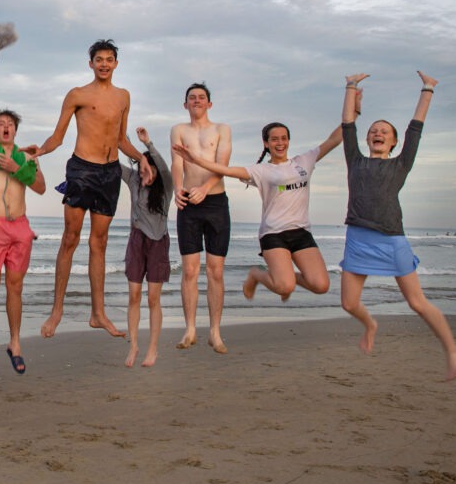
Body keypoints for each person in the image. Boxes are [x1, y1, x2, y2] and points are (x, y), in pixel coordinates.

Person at [339, 72, 456, 381]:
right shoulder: (355, 160)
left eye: (384, 131)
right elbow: (347, 126)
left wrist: (428, 88)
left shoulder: (400, 164)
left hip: (390, 239)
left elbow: (416, 128)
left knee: (417, 302)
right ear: (368, 139)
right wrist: (350, 87)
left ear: (394, 142)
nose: (378, 133)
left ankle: (452, 349)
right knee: (349, 303)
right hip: (357, 238)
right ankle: (370, 324)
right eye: (374, 130)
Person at [26, 39, 151, 339]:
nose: (104, 64)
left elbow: (121, 139)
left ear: (116, 64)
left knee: (100, 242)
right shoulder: (77, 94)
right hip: (82, 169)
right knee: (70, 238)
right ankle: (57, 311)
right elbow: (58, 136)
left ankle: (98, 314)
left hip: (109, 172)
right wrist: (39, 152)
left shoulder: (123, 97)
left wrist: (142, 157)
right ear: (91, 63)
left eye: (109, 59)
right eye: (99, 59)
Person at [174, 116, 349, 303]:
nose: (280, 143)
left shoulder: (304, 161)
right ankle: (257, 275)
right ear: (266, 143)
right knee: (285, 287)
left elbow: (334, 140)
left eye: (284, 138)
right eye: (274, 139)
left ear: (288, 141)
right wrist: (195, 160)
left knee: (321, 285)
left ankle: (285, 278)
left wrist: (352, 110)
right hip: (274, 233)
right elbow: (226, 170)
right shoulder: (260, 171)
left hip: (301, 232)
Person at [0, 57, 45, 376]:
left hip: (20, 228)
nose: (4, 126)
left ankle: (15, 342)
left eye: (9, 124)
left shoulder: (26, 157)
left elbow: (40, 187)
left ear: (15, 129)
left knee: (15, 287)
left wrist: (19, 169)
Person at [169, 82, 232, 353]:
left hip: (215, 202)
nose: (197, 101)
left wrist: (205, 189)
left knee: (215, 271)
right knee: (190, 271)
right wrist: (177, 190)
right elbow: (177, 163)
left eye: (201, 97)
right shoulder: (179, 130)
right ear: (185, 104)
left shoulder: (221, 129)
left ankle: (215, 333)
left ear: (209, 103)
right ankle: (190, 329)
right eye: (192, 98)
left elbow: (223, 165)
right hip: (189, 205)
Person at [119, 127, 173, 368]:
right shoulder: (133, 181)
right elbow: (113, 160)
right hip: (136, 240)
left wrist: (148, 144)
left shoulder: (166, 186)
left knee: (153, 299)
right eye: (140, 170)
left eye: (145, 170)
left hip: (158, 242)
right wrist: (120, 137)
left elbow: (162, 166)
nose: (142, 174)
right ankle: (133, 346)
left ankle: (153, 349)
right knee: (134, 296)